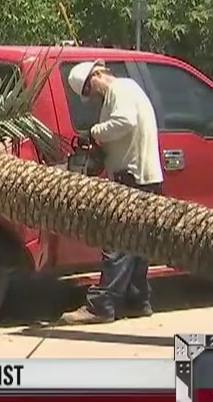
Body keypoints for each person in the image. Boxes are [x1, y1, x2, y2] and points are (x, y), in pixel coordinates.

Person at [59, 60, 164, 325]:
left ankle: (101, 305)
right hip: (144, 178)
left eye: (88, 90)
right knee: (137, 244)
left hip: (132, 178)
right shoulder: (127, 90)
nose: (91, 96)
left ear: (95, 76)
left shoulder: (120, 89)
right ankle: (138, 300)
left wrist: (94, 133)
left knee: (116, 241)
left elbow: (124, 122)